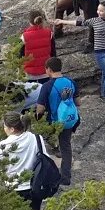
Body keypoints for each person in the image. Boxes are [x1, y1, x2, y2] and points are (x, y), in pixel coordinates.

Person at [57, 1, 105, 103]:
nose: (99, 12)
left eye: (101, 11)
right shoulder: (95, 21)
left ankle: (104, 95)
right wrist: (62, 21)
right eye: (98, 10)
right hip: (100, 53)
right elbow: (79, 23)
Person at [0, 111, 45, 210]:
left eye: (5, 126)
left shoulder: (4, 145)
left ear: (12, 129)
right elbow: (45, 158)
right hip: (34, 186)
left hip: (13, 188)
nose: (4, 128)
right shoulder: (36, 138)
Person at [40, 57, 79, 185]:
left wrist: (37, 118)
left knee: (43, 143)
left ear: (49, 69)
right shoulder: (71, 82)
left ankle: (46, 174)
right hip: (67, 120)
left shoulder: (47, 86)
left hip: (53, 121)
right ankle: (65, 177)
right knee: (66, 147)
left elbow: (40, 108)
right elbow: (78, 102)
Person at [21, 11, 55, 82]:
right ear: (42, 20)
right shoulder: (49, 34)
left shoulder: (24, 37)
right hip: (46, 72)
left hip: (29, 75)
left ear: (29, 22)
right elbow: (53, 54)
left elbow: (21, 56)